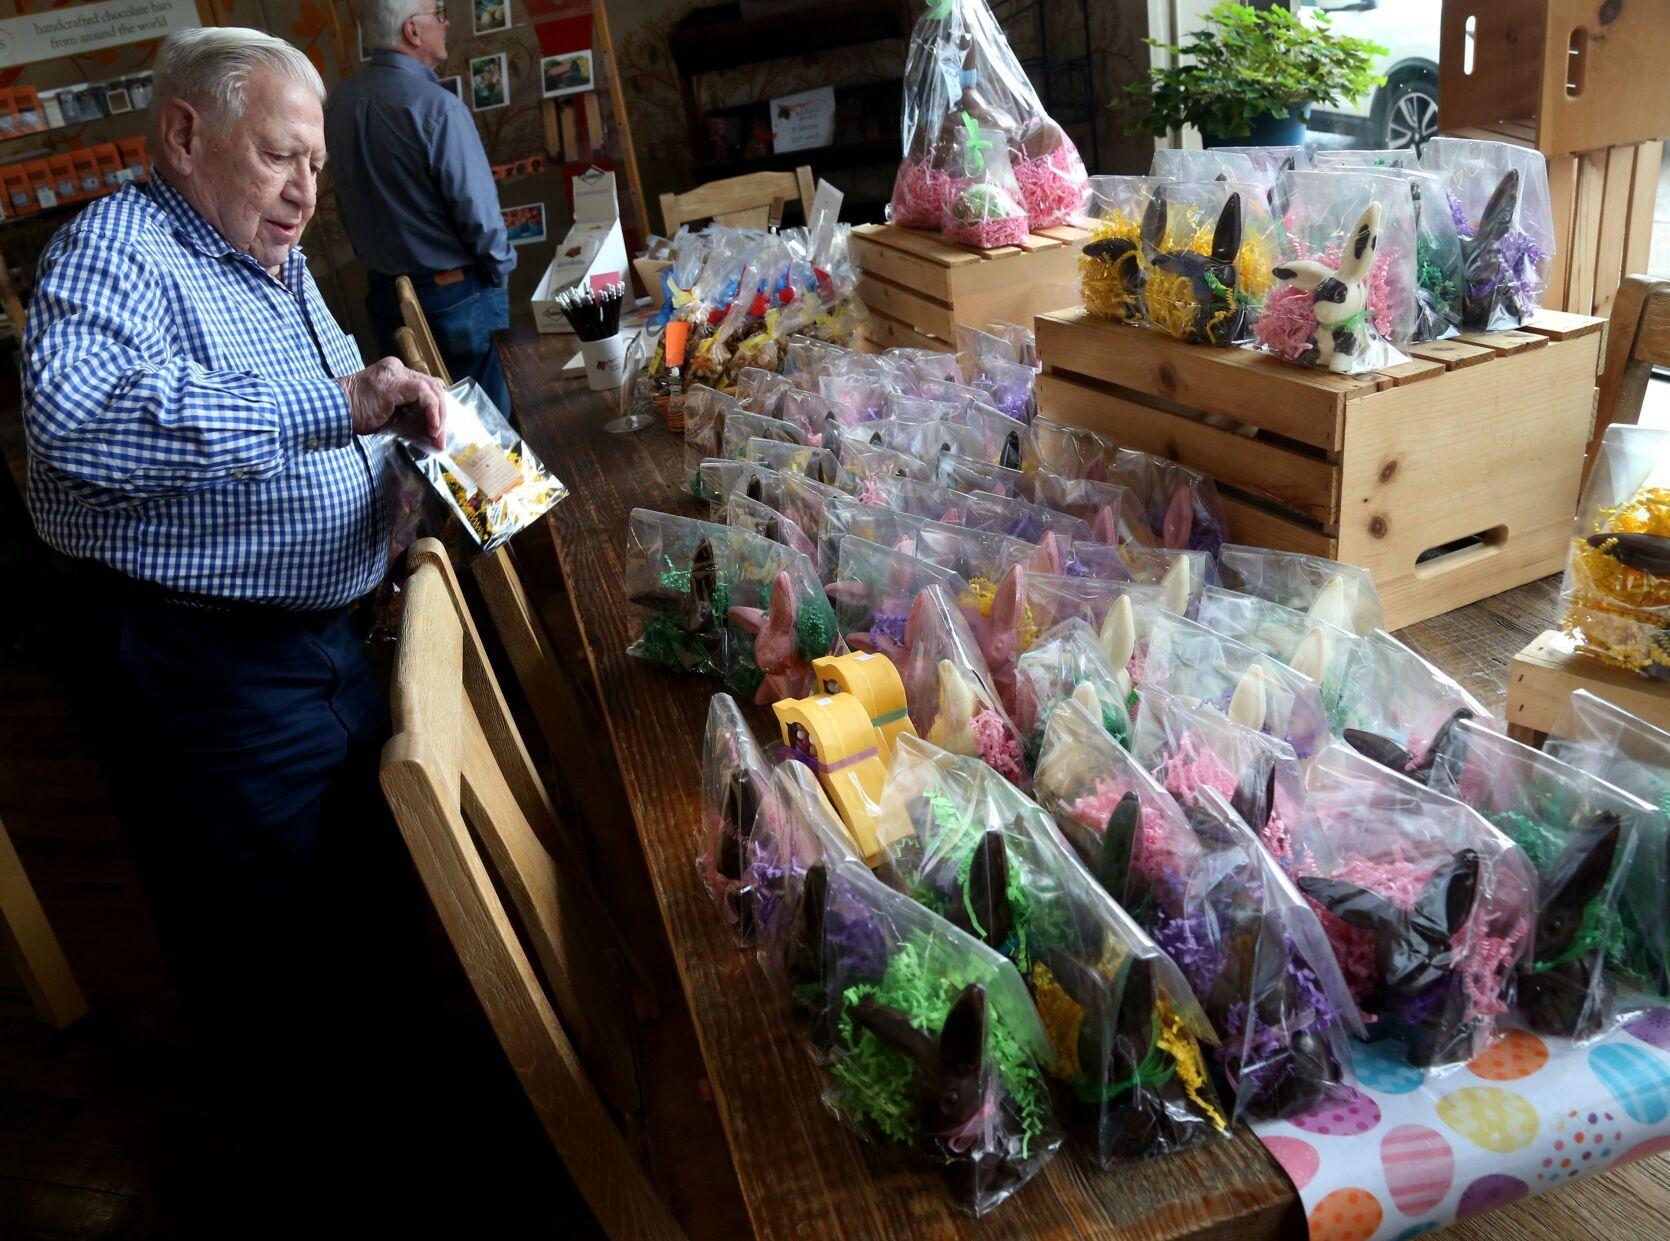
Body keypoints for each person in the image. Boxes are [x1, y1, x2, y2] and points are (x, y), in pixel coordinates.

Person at [21, 26, 455, 1223]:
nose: (306, 190)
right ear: (184, 135)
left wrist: (404, 475)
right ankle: (331, 1180)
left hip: (311, 645)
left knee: (358, 895)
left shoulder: (266, 255)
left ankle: (390, 1131)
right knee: (268, 950)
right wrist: (345, 402)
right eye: (279, 157)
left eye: (313, 164)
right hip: (200, 663)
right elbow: (80, 426)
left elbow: (314, 424)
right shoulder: (116, 250)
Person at [327, 0, 516, 415]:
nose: (446, 22)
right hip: (455, 295)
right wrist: (499, 275)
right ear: (412, 31)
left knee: (432, 433)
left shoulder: (338, 104)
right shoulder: (436, 106)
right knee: (491, 428)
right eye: (439, 13)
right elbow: (480, 218)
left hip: (383, 294)